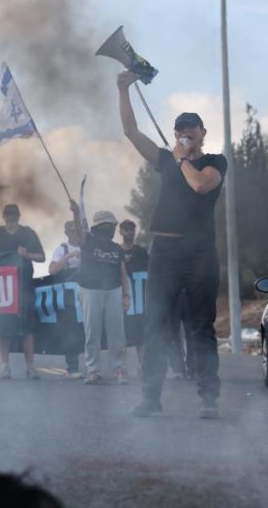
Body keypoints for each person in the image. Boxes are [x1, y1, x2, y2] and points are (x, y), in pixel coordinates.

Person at [118, 71, 226, 419]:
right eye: (181, 127)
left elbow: (200, 186)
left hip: (199, 254)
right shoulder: (166, 160)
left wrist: (182, 159)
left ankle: (209, 399)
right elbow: (131, 132)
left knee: (200, 326)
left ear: (203, 132)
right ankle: (150, 398)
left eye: (192, 127)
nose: (186, 131)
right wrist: (123, 90)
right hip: (164, 253)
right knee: (156, 325)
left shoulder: (214, 162)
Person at [0, 204, 43, 380]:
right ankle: (4, 366)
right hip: (2, 289)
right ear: (3, 216)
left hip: (24, 287)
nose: (11, 217)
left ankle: (30, 367)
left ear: (19, 215)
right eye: (8, 214)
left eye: (13, 214)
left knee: (27, 327)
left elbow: (41, 257)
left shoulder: (28, 233)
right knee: (2, 327)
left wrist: (27, 254)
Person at [69, 202, 130, 385]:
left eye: (111, 225)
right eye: (106, 225)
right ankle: (92, 370)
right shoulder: (87, 241)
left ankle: (119, 369)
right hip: (90, 290)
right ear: (97, 227)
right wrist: (76, 214)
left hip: (114, 290)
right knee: (92, 331)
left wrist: (126, 296)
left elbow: (123, 273)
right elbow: (79, 233)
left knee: (117, 333)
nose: (109, 228)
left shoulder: (116, 248)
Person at [48, 220, 82, 379]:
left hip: (87, 291)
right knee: (71, 330)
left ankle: (93, 367)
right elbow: (52, 270)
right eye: (71, 231)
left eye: (76, 230)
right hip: (69, 296)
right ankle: (72, 367)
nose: (74, 233)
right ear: (66, 233)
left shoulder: (87, 247)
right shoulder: (62, 249)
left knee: (90, 329)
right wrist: (67, 256)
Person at [119, 219, 149, 370]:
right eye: (126, 229)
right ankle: (121, 368)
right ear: (121, 232)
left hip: (140, 303)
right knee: (122, 337)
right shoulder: (116, 252)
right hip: (123, 302)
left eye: (132, 229)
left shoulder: (141, 252)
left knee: (141, 337)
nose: (130, 232)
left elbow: (150, 274)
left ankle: (143, 366)